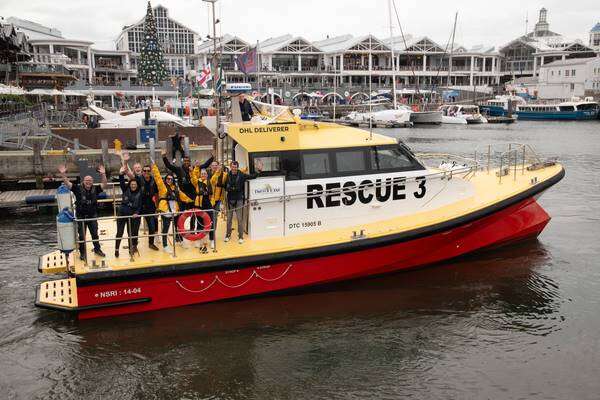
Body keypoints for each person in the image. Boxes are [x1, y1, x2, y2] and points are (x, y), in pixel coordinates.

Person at [58, 164, 108, 260]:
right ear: (83, 181)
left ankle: (97, 249)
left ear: (92, 182)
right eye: (86, 180)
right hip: (81, 217)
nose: (88, 182)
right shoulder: (77, 188)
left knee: (95, 234)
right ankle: (83, 253)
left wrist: (103, 174)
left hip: (92, 216)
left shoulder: (96, 189)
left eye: (90, 181)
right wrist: (63, 174)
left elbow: (104, 184)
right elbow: (67, 183)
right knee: (82, 236)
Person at [162, 148, 213, 230]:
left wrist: (212, 158)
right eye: (185, 161)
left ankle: (192, 230)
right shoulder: (178, 169)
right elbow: (169, 166)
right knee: (180, 214)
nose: (186, 162)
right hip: (182, 196)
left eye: (188, 161)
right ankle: (179, 231)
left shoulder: (193, 168)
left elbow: (205, 165)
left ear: (190, 162)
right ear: (183, 161)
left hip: (193, 195)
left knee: (193, 214)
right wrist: (164, 156)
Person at [151, 161, 193, 251]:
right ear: (165, 179)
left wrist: (191, 200)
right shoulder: (163, 188)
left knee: (178, 227)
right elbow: (158, 178)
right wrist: (154, 166)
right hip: (166, 211)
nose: (169, 180)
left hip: (175, 211)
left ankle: (180, 241)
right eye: (168, 179)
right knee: (165, 229)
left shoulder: (176, 189)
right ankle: (165, 245)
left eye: (171, 179)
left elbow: (183, 196)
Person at [122, 152, 159, 251]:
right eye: (145, 170)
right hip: (138, 207)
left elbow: (157, 194)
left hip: (150, 207)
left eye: (148, 170)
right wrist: (125, 161)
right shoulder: (138, 179)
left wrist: (157, 207)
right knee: (135, 228)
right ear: (142, 172)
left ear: (150, 171)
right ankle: (134, 245)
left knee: (151, 227)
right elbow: (128, 173)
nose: (146, 172)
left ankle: (151, 243)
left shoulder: (153, 181)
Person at [223, 160, 262, 244]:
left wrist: (258, 171)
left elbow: (252, 176)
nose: (234, 168)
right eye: (232, 167)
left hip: (239, 200)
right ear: (230, 167)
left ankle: (240, 236)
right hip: (230, 200)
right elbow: (224, 186)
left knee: (240, 219)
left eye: (235, 167)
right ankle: (227, 235)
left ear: (237, 167)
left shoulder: (241, 175)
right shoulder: (227, 175)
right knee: (229, 219)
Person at [115, 168, 142, 258]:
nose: (133, 186)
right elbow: (122, 182)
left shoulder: (139, 193)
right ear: (129, 185)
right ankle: (116, 249)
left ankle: (131, 249)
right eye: (132, 184)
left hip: (132, 215)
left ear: (137, 185)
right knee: (119, 232)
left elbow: (139, 206)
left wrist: (137, 213)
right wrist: (121, 174)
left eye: (135, 184)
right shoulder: (125, 190)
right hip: (122, 214)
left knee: (130, 233)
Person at [191, 166, 214, 252]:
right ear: (200, 175)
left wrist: (212, 203)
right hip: (199, 205)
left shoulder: (210, 182)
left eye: (204, 174)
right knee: (199, 223)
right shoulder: (197, 182)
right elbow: (193, 177)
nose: (203, 175)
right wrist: (195, 168)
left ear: (207, 175)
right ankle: (199, 240)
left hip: (208, 204)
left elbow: (212, 194)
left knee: (211, 223)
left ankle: (212, 240)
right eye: (202, 174)